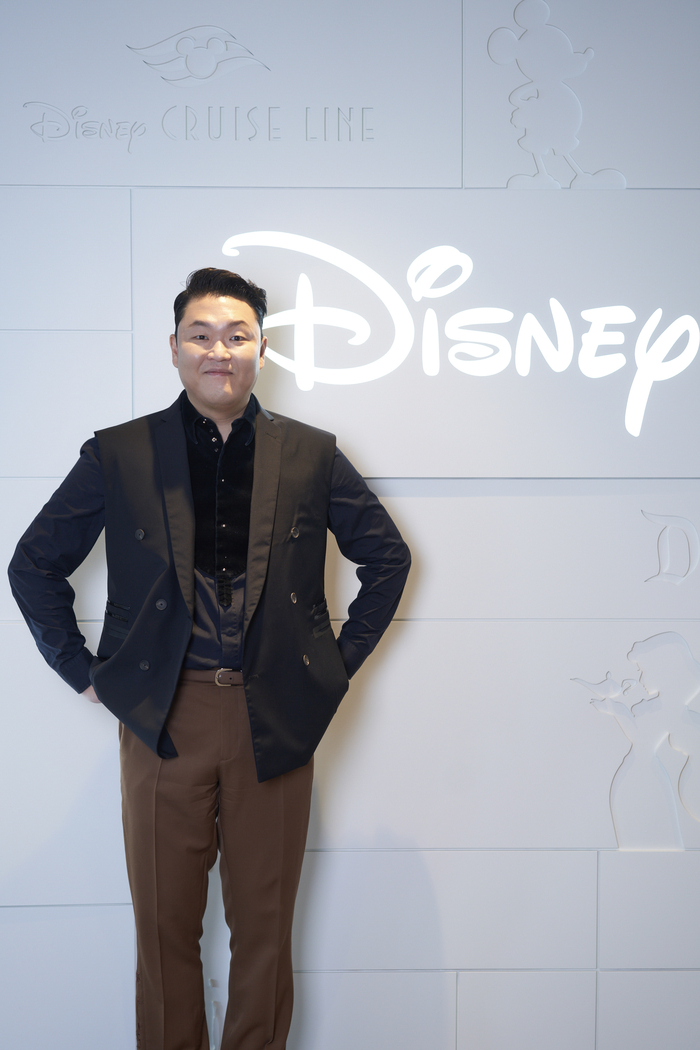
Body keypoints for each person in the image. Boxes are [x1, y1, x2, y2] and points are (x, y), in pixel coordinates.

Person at [8, 267, 411, 1050]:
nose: (218, 350)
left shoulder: (311, 453)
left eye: (236, 335)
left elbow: (387, 559)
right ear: (174, 348)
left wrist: (332, 667)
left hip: (276, 717)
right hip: (163, 718)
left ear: (261, 348)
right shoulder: (121, 452)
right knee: (164, 930)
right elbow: (33, 564)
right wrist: (84, 673)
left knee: (265, 930)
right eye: (201, 335)